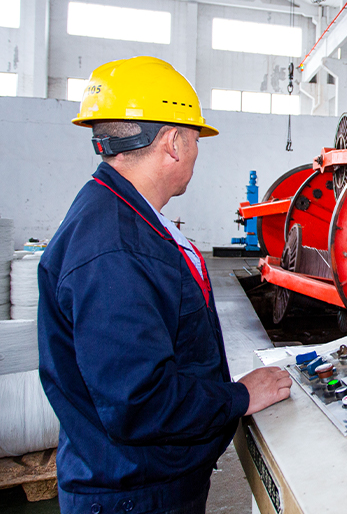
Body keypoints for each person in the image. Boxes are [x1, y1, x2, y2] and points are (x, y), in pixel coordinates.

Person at [38, 56, 291, 514]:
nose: (195, 153)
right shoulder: (115, 248)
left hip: (140, 477)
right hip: (135, 495)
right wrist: (239, 396)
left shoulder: (121, 214)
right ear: (174, 142)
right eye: (195, 140)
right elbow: (139, 403)